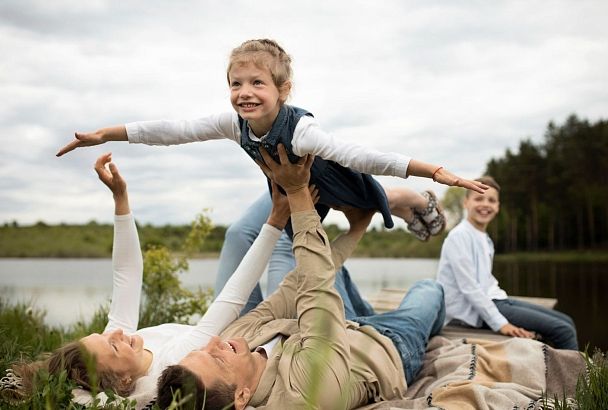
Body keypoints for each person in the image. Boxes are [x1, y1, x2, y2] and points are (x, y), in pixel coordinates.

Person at [56, 38, 489, 242]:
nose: (244, 92)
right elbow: (175, 131)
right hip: (289, 188)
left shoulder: (301, 129)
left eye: (257, 83)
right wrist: (106, 134)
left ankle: (416, 199)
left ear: (282, 91)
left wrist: (433, 169)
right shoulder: (234, 123)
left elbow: (359, 154)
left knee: (369, 200)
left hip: (332, 177)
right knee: (307, 243)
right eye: (236, 82)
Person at [3, 152, 309, 407]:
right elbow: (231, 300)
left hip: (229, 330)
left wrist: (120, 200)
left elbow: (126, 275)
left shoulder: (123, 346)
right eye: (113, 347)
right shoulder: (172, 362)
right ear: (124, 380)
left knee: (236, 236)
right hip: (241, 339)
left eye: (105, 335)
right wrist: (275, 220)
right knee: (288, 250)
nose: (117, 334)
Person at [156, 145, 446, 410]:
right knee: (429, 289)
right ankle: (397, 199)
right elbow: (316, 289)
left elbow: (293, 289)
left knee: (321, 265)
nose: (215, 341)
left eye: (203, 349)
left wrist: (357, 228)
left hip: (348, 325)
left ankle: (385, 201)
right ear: (241, 396)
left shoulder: (236, 339)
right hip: (389, 346)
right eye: (217, 358)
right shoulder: (302, 394)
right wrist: (298, 196)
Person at [436, 176, 578, 350]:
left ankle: (565, 371)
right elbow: (469, 288)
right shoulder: (459, 236)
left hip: (496, 299)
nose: (485, 204)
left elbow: (485, 281)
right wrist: (501, 324)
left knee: (566, 321)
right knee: (563, 331)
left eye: (491, 200)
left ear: (497, 206)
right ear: (466, 202)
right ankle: (576, 377)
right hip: (471, 312)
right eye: (479, 198)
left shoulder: (484, 238)